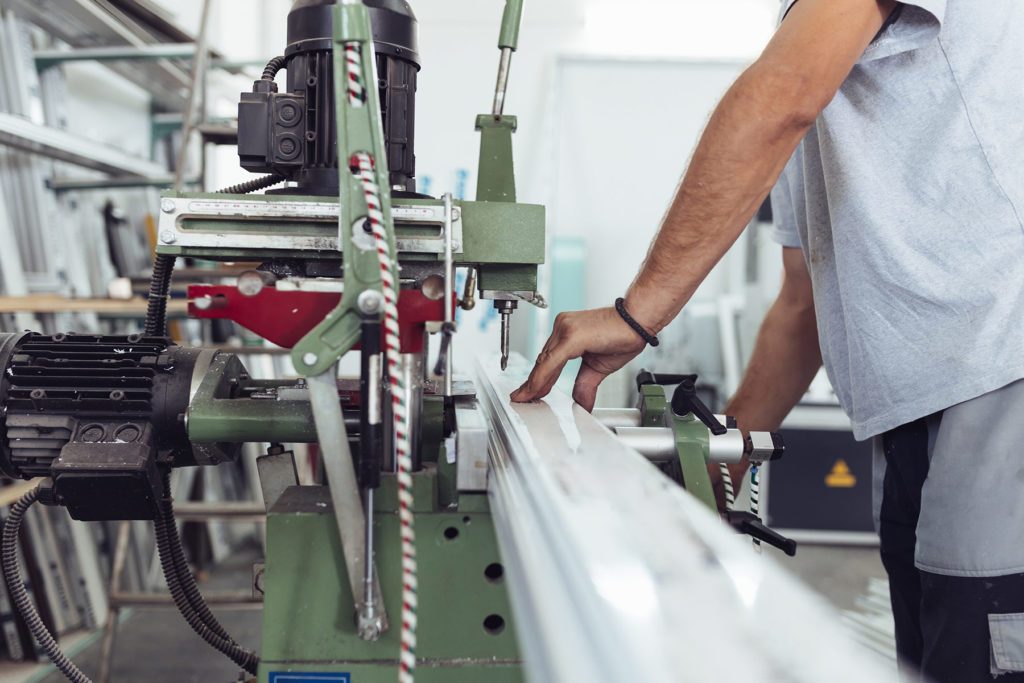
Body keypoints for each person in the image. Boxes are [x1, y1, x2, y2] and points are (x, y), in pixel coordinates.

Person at [511, 1, 1024, 681]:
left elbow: (780, 98)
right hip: (920, 417)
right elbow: (802, 302)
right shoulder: (810, 46)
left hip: (1000, 375)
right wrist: (719, 469)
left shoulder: (803, 62)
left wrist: (636, 316)